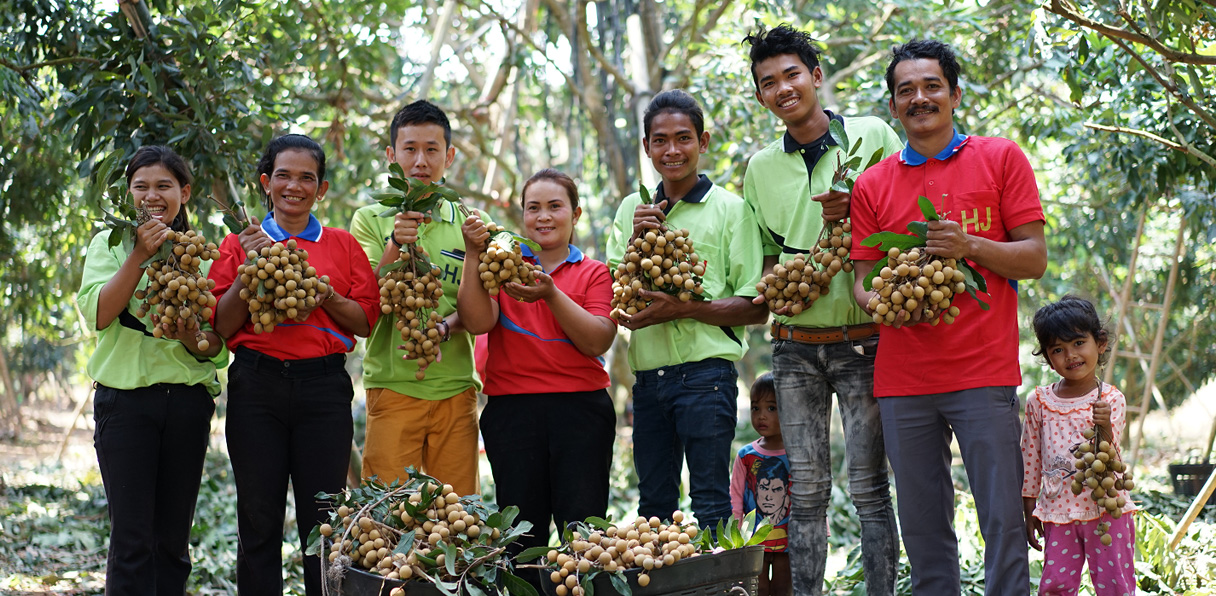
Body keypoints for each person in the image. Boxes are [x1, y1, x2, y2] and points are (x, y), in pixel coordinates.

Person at [850, 39, 1047, 595]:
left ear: (955, 94)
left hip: (983, 374)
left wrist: (968, 246)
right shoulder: (873, 184)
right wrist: (888, 302)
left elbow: (1033, 258)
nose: (919, 98)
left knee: (1004, 521)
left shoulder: (1001, 157)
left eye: (931, 86)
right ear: (893, 106)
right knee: (923, 528)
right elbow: (862, 282)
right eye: (905, 90)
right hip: (903, 381)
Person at [741, 24, 901, 595]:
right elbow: (762, 257)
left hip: (866, 340)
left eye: (792, 74)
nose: (783, 88)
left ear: (815, 75)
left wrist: (857, 211)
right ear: (760, 96)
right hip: (794, 349)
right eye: (769, 82)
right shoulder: (759, 168)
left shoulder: (874, 135)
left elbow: (905, 226)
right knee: (805, 491)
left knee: (869, 489)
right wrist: (775, 289)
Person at [209, 134, 380, 595]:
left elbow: (365, 319)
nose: (294, 186)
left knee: (323, 525)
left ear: (320, 189)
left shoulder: (343, 245)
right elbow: (221, 327)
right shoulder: (237, 243)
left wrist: (324, 295)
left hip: (323, 389)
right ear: (267, 182)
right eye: (283, 175)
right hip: (255, 384)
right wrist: (250, 266)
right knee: (258, 519)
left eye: (307, 178)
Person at [605, 89, 767, 532]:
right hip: (648, 382)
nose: (672, 150)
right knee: (653, 506)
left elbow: (755, 307)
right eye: (660, 140)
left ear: (703, 141)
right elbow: (620, 289)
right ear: (647, 147)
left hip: (706, 377)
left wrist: (685, 309)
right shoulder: (630, 211)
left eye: (683, 138)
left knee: (711, 504)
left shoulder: (732, 210)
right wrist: (638, 237)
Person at [457, 169, 617, 589]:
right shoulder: (501, 265)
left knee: (582, 535)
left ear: (575, 214)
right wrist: (474, 255)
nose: (543, 216)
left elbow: (598, 339)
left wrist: (550, 293)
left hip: (581, 411)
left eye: (555, 206)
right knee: (519, 538)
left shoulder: (594, 272)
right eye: (533, 208)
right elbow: (477, 321)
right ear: (521, 215)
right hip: (512, 412)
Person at [78, 145, 224, 595]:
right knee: (131, 540)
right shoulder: (109, 243)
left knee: (173, 541)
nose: (152, 195)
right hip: (125, 404)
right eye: (141, 186)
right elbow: (100, 314)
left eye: (164, 186)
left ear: (185, 192)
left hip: (186, 403)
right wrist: (139, 254)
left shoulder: (201, 252)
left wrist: (186, 336)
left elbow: (217, 348)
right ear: (128, 192)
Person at [350, 100, 482, 495]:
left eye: (431, 149)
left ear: (449, 156)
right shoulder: (370, 219)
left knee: (458, 519)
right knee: (386, 521)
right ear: (392, 156)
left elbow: (480, 312)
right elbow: (367, 305)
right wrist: (395, 242)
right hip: (392, 388)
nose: (420, 160)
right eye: (409, 149)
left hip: (456, 389)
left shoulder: (470, 224)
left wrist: (444, 327)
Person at [1022, 296, 1136, 595]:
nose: (1070, 355)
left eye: (1077, 343)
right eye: (1058, 350)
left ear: (1099, 344)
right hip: (1057, 511)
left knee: (1115, 585)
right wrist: (1030, 509)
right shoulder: (1040, 402)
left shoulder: (1111, 399)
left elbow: (1111, 453)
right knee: (1055, 586)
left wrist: (1105, 425)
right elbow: (1030, 458)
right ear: (1048, 358)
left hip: (1106, 510)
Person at [730, 372, 792, 596]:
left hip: (789, 540)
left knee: (783, 589)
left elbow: (810, 493)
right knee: (758, 589)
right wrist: (737, 534)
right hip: (754, 541)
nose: (761, 416)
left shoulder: (798, 455)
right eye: (756, 408)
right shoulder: (746, 456)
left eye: (771, 408)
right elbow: (736, 496)